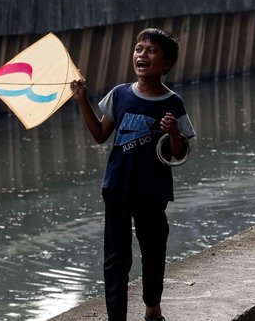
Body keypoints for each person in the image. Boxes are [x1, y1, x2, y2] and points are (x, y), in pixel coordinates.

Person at [71, 28, 196, 321]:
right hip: (117, 186)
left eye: (151, 51)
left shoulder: (173, 102)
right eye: (139, 49)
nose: (142, 55)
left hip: (152, 191)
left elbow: (179, 153)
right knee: (116, 258)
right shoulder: (120, 94)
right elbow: (101, 134)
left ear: (166, 64)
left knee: (153, 251)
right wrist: (81, 101)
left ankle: (152, 307)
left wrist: (174, 132)